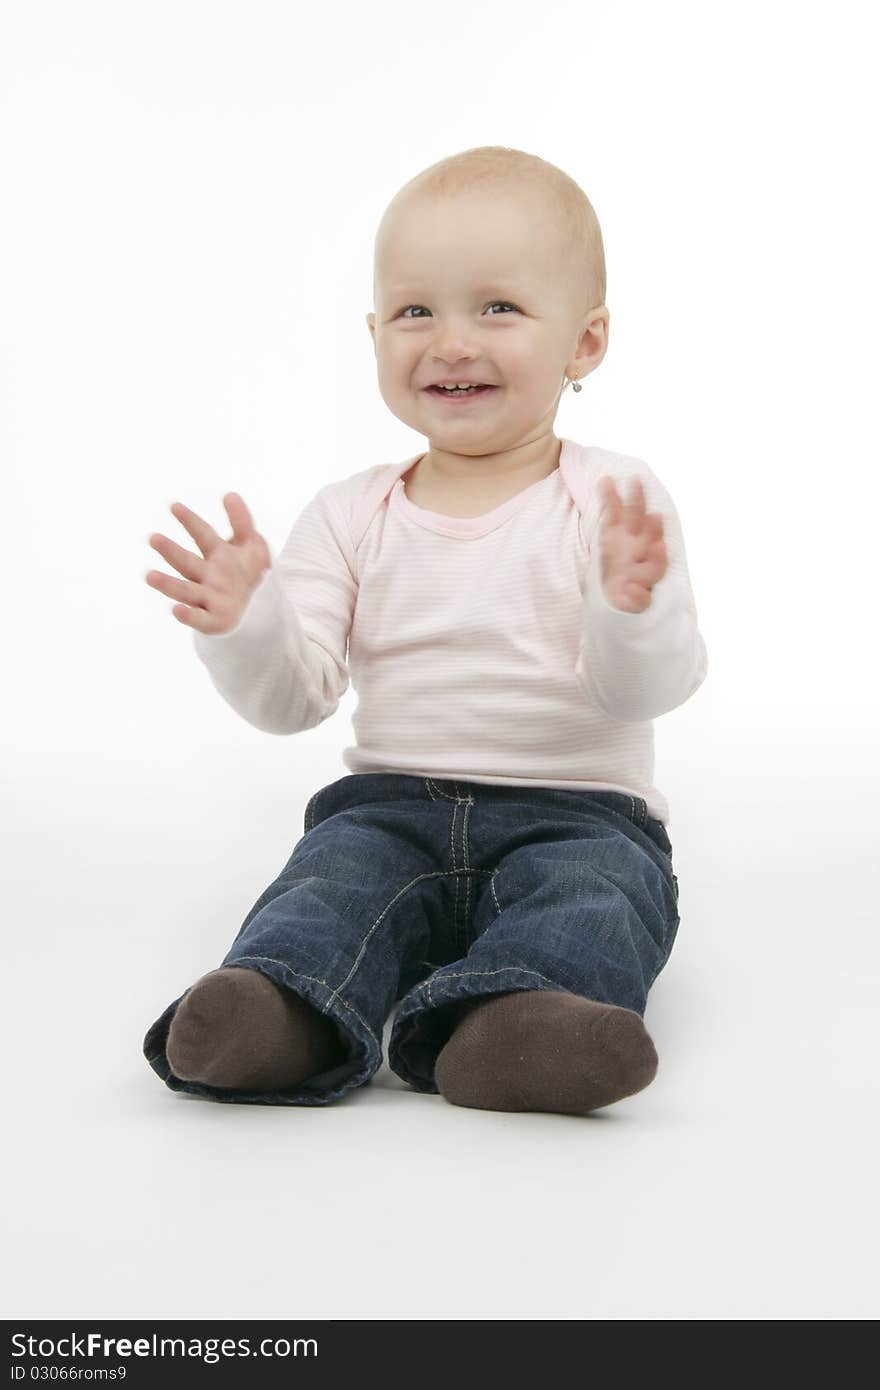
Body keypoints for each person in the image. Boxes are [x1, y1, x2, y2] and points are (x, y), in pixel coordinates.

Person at [142, 145, 708, 1116]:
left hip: (575, 812)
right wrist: (247, 626)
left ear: (585, 342)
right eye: (414, 311)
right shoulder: (351, 512)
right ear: (372, 335)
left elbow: (647, 690)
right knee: (327, 887)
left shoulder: (610, 500)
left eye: (497, 307)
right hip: (387, 808)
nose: (449, 341)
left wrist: (628, 606)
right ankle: (284, 1010)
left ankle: (517, 1025)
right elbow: (294, 700)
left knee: (593, 899)